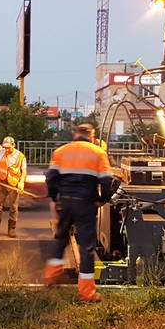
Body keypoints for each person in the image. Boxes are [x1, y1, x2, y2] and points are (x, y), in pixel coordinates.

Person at [44, 123, 115, 302]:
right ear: (92, 135)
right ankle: (86, 293)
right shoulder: (98, 152)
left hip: (66, 202)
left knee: (61, 238)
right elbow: (108, 182)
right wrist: (102, 199)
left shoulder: (61, 151)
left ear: (75, 134)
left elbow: (50, 178)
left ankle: (50, 278)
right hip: (86, 204)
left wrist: (55, 198)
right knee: (86, 248)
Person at [0, 136, 27, 238]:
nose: (7, 149)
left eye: (9, 147)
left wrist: (21, 183)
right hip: (1, 183)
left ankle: (11, 229)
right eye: (5, 147)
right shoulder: (1, 152)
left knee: (13, 207)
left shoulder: (20, 156)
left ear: (14, 145)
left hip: (13, 185)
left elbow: (24, 171)